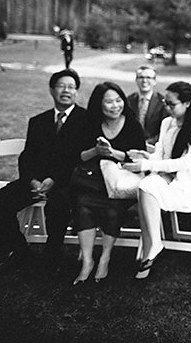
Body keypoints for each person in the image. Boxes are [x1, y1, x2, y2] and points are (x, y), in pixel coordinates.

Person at [0, 69, 87, 271]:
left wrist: (54, 180)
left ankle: (52, 256)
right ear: (51, 90)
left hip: (68, 182)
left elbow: (79, 159)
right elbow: (27, 156)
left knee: (57, 203)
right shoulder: (38, 121)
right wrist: (31, 180)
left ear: (76, 92)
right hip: (35, 182)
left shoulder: (86, 120)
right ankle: (17, 253)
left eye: (71, 87)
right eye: (61, 86)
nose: (66, 91)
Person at [123, 82, 191, 280]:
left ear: (187, 103)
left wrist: (147, 167)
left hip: (189, 184)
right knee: (144, 187)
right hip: (167, 178)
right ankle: (153, 246)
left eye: (172, 104)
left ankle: (151, 248)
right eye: (165, 103)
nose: (167, 107)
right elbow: (161, 156)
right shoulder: (166, 123)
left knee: (146, 186)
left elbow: (186, 163)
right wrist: (144, 158)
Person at [72, 82, 145, 285]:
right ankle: (87, 261)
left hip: (119, 186)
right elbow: (79, 156)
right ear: (99, 104)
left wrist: (113, 153)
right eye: (109, 101)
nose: (115, 105)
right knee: (83, 206)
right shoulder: (91, 124)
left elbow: (139, 159)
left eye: (118, 100)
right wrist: (97, 151)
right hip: (92, 182)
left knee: (113, 209)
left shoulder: (132, 125)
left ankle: (105, 257)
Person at [127, 65, 167, 146]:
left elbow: (165, 130)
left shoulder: (162, 102)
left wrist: (147, 143)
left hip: (154, 146)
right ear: (136, 80)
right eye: (141, 77)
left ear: (154, 81)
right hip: (130, 144)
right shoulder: (129, 100)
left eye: (148, 77)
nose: (144, 80)